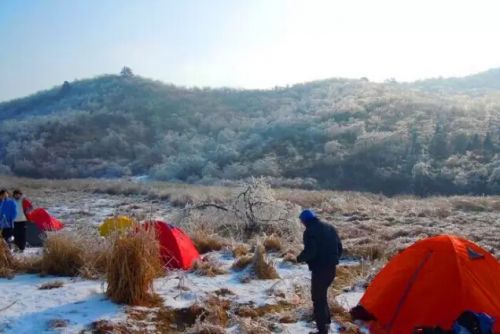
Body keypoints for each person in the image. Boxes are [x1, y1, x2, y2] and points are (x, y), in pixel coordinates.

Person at [297, 209, 343, 334]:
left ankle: (322, 331)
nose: (302, 223)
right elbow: (339, 248)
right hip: (331, 269)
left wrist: (299, 258)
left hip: (320, 270)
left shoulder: (309, 231)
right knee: (322, 297)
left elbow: (311, 252)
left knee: (318, 299)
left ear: (305, 220)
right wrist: (333, 260)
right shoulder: (330, 227)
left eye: (301, 221)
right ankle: (326, 323)